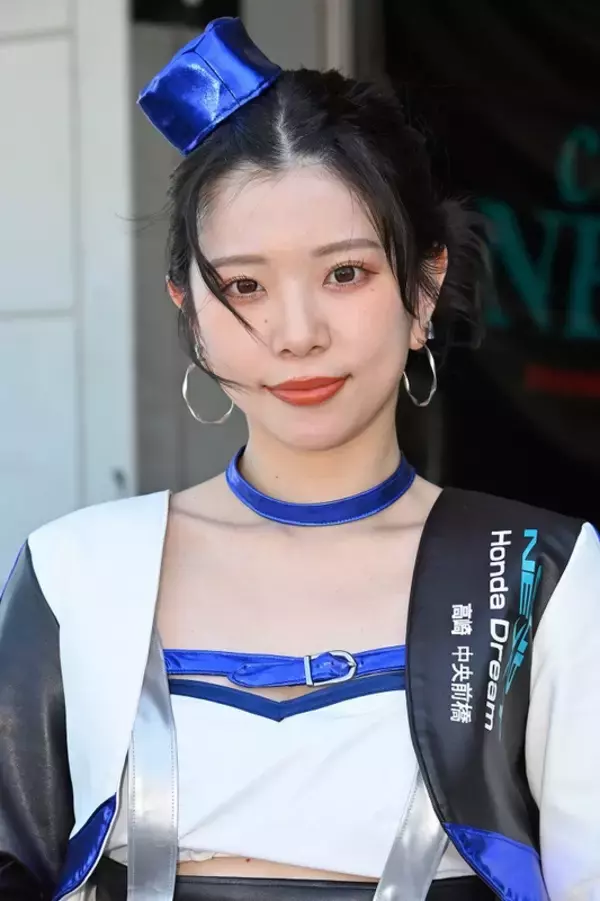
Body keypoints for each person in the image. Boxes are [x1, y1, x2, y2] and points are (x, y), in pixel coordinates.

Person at [0, 16, 598, 901]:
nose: (296, 333)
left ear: (424, 289)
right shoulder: (75, 570)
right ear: (190, 310)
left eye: (345, 273)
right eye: (244, 285)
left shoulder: (539, 572)